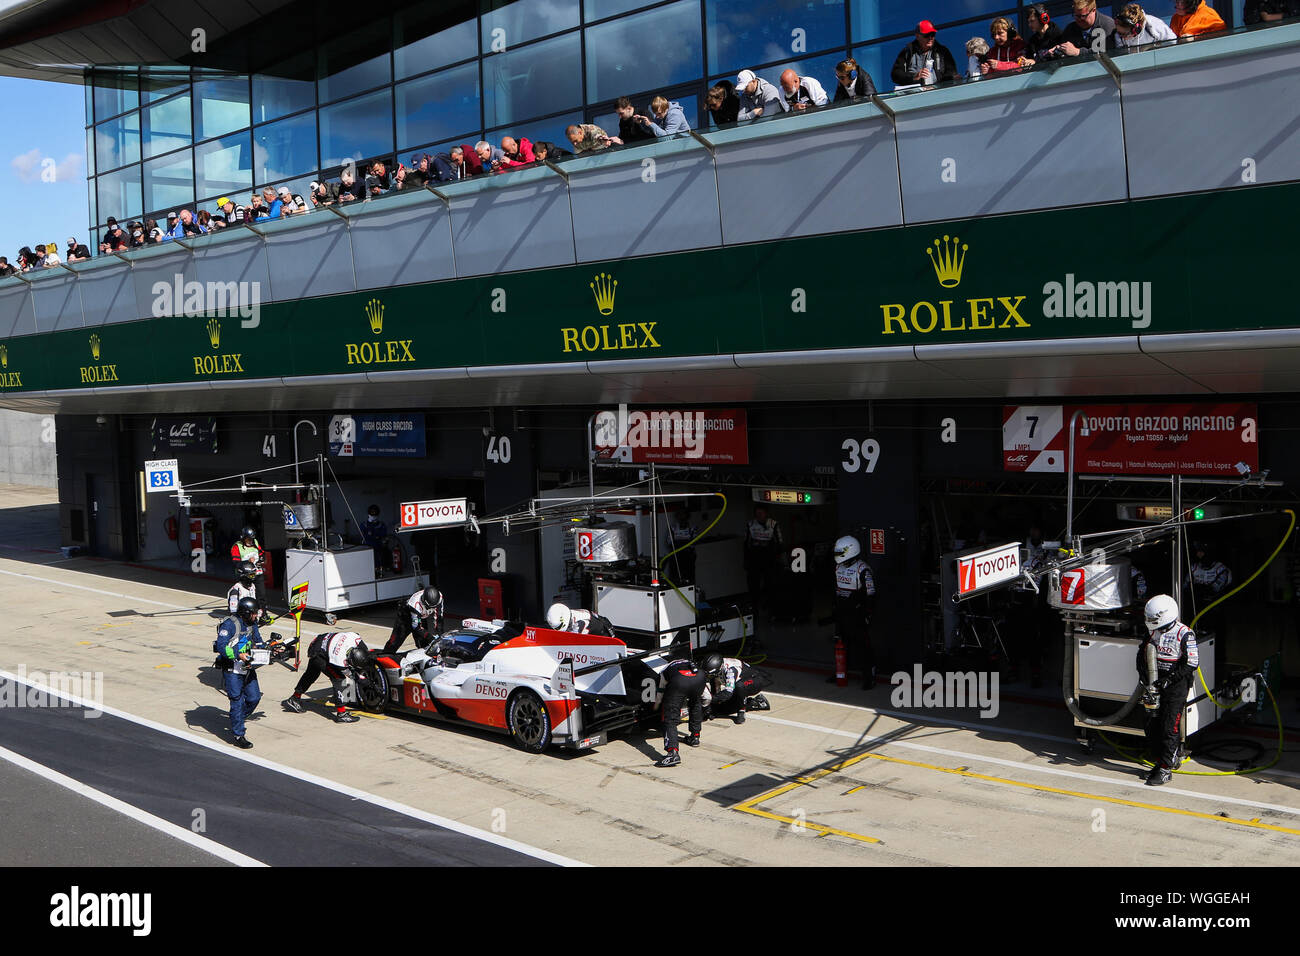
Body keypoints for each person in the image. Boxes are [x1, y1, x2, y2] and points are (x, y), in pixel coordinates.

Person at [1136, 595, 1198, 785]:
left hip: (1176, 687)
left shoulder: (1185, 633)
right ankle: (1159, 761)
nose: (1152, 625)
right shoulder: (1152, 632)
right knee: (1151, 725)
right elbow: (1141, 655)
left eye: (1155, 621)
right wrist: (1145, 678)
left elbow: (1192, 663)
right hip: (1154, 684)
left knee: (1168, 727)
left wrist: (1169, 680)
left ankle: (1166, 769)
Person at [282, 631, 369, 723]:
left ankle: (294, 698)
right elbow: (350, 675)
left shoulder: (354, 637)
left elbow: (365, 649)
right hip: (319, 654)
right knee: (339, 679)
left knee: (311, 674)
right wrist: (360, 679)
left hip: (320, 642)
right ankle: (342, 714)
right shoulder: (339, 660)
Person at [215, 597, 266, 748]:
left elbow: (259, 641)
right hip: (232, 669)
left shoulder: (253, 624)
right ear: (246, 613)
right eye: (254, 613)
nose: (256, 616)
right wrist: (238, 654)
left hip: (248, 668)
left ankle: (237, 718)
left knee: (254, 697)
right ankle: (238, 734)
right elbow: (221, 646)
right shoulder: (229, 624)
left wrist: (270, 649)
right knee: (237, 701)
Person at [656, 654, 719, 767]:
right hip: (698, 678)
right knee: (695, 704)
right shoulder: (693, 664)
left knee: (670, 717)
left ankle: (672, 753)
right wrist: (704, 709)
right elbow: (707, 697)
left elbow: (660, 691)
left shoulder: (665, 668)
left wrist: (657, 705)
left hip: (679, 682)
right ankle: (695, 737)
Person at [833, 535, 877, 687]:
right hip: (842, 611)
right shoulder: (838, 567)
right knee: (841, 643)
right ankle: (840, 672)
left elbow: (870, 594)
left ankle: (869, 677)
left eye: (840, 552)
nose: (837, 555)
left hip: (857, 614)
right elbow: (836, 590)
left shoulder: (862, 569)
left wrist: (866, 613)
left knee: (862, 645)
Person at [890, 19, 960, 88]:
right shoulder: (908, 51)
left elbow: (951, 73)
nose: (930, 38)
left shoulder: (942, 51)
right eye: (926, 35)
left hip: (938, 93)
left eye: (932, 35)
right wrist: (914, 77)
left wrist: (937, 86)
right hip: (914, 96)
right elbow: (895, 74)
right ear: (917, 36)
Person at [708, 656, 773, 724]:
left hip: (756, 680)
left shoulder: (731, 670)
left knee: (740, 686)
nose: (710, 676)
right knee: (723, 709)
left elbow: (728, 693)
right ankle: (751, 702)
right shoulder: (717, 667)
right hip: (740, 682)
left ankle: (743, 709)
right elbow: (717, 694)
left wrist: (710, 699)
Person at [745, 505, 784, 611]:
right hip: (755, 559)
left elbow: (780, 543)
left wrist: (778, 557)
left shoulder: (773, 524)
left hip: (769, 559)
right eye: (757, 513)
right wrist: (746, 562)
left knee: (771, 584)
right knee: (754, 585)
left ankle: (772, 607)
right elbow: (746, 544)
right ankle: (754, 608)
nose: (759, 516)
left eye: (761, 513)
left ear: (766, 513)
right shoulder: (751, 525)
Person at [384, 586, 444, 654]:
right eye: (429, 607)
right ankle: (384, 656)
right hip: (405, 617)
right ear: (424, 601)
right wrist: (431, 638)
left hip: (421, 617)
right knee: (394, 642)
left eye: (434, 607)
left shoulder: (439, 598)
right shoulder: (415, 604)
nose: (431, 609)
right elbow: (416, 627)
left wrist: (440, 637)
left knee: (425, 644)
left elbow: (439, 619)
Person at [1049, 0, 1116, 57]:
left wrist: (1077, 52)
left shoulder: (1106, 25)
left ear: (1094, 10)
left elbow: (1103, 55)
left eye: (1083, 16)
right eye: (1076, 16)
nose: (1079, 20)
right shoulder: (1071, 29)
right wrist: (1060, 49)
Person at [230, 526, 267, 603]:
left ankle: (262, 613)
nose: (251, 541)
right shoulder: (237, 547)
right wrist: (248, 562)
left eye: (252, 539)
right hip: (245, 576)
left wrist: (261, 560)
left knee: (261, 595)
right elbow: (236, 562)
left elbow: (262, 554)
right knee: (246, 595)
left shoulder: (255, 542)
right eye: (248, 539)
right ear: (243, 538)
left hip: (257, 573)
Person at [663, 506, 699, 584]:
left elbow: (694, 542)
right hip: (675, 557)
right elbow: (669, 543)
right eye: (680, 515)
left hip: (688, 558)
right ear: (677, 517)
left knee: (689, 579)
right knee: (675, 579)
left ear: (687, 516)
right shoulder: (673, 528)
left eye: (684, 515)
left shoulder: (692, 528)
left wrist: (682, 544)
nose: (682, 517)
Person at [545, 602, 614, 636]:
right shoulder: (570, 614)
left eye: (559, 627)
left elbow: (575, 643)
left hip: (604, 633)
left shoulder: (580, 623)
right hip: (594, 629)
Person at [360, 504, 389, 572]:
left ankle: (380, 570)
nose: (373, 515)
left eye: (375, 513)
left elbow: (384, 535)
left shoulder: (381, 524)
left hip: (379, 548)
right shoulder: (364, 525)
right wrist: (370, 525)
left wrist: (381, 539)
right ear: (368, 514)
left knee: (383, 557)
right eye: (372, 513)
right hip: (368, 548)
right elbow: (363, 536)